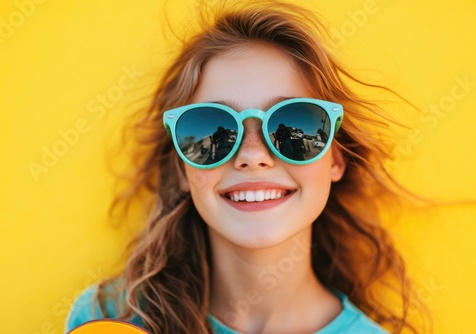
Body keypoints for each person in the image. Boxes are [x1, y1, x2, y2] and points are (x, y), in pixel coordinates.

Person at [66, 1, 426, 333]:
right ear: (181, 168)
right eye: (211, 128)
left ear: (335, 157)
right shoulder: (110, 317)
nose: (253, 156)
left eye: (294, 124)